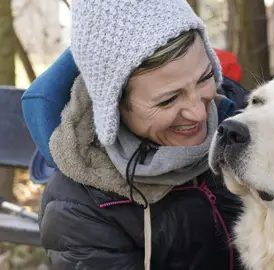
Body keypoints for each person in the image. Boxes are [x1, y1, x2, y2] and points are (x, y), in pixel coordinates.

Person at [21, 0, 249, 269]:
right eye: (168, 100)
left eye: (204, 78)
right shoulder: (79, 210)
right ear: (114, 107)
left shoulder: (243, 118)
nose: (199, 113)